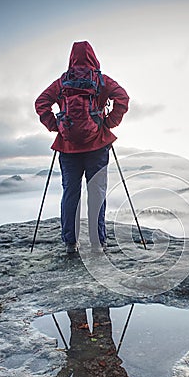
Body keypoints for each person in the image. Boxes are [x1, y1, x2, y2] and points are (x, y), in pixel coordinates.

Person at [35, 41, 129, 253]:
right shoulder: (101, 80)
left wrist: (56, 125)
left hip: (68, 148)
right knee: (96, 193)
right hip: (97, 146)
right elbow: (123, 98)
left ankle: (70, 242)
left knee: (71, 193)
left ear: (71, 58)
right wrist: (108, 123)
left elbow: (41, 102)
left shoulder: (62, 82)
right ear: (93, 57)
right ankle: (97, 243)